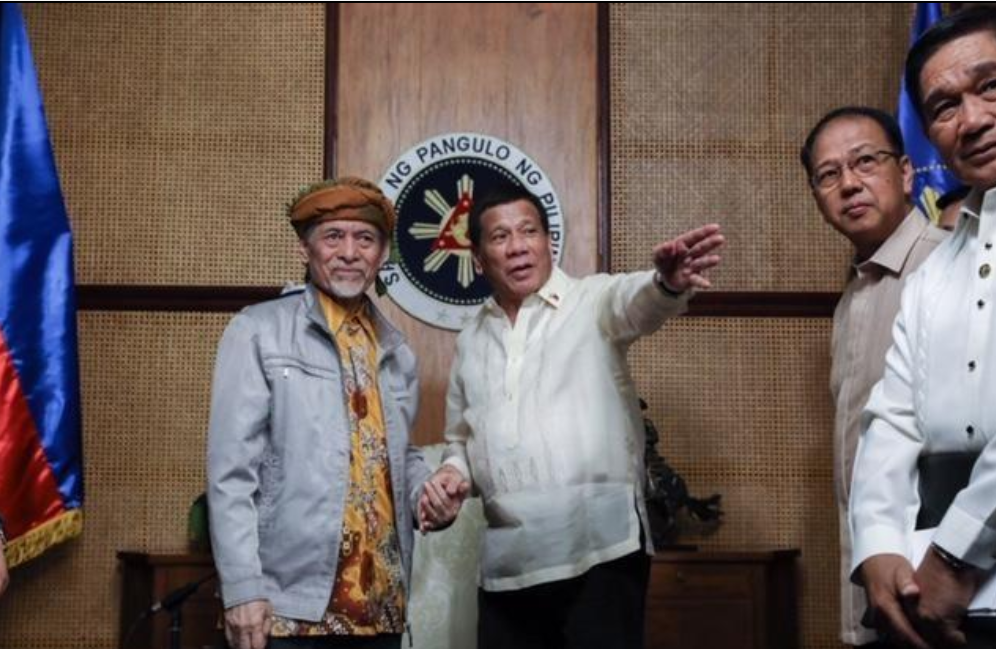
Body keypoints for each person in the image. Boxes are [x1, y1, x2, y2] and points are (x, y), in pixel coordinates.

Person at [418, 182, 724, 649]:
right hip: (506, 565)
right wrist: (451, 475)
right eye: (500, 237)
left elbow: (637, 302)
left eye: (529, 231)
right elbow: (461, 439)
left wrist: (665, 283)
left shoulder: (592, 301)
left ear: (548, 241)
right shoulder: (471, 339)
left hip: (599, 551)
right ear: (478, 259)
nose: (518, 246)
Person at [207, 177, 446, 649]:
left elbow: (394, 457)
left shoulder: (396, 350)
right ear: (305, 248)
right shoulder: (257, 331)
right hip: (286, 610)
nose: (349, 252)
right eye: (333, 236)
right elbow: (231, 474)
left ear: (382, 255)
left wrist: (429, 492)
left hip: (381, 607)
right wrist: (242, 588)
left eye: (365, 239)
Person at [849, 6, 996, 648]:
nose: (972, 119)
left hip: (951, 574)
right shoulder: (935, 271)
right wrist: (879, 547)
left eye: (990, 86)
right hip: (928, 601)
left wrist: (956, 557)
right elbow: (891, 418)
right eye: (943, 107)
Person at [800, 106, 947, 648]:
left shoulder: (946, 268)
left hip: (942, 579)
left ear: (906, 173)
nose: (849, 183)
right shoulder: (857, 290)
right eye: (828, 174)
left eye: (865, 161)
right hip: (879, 572)